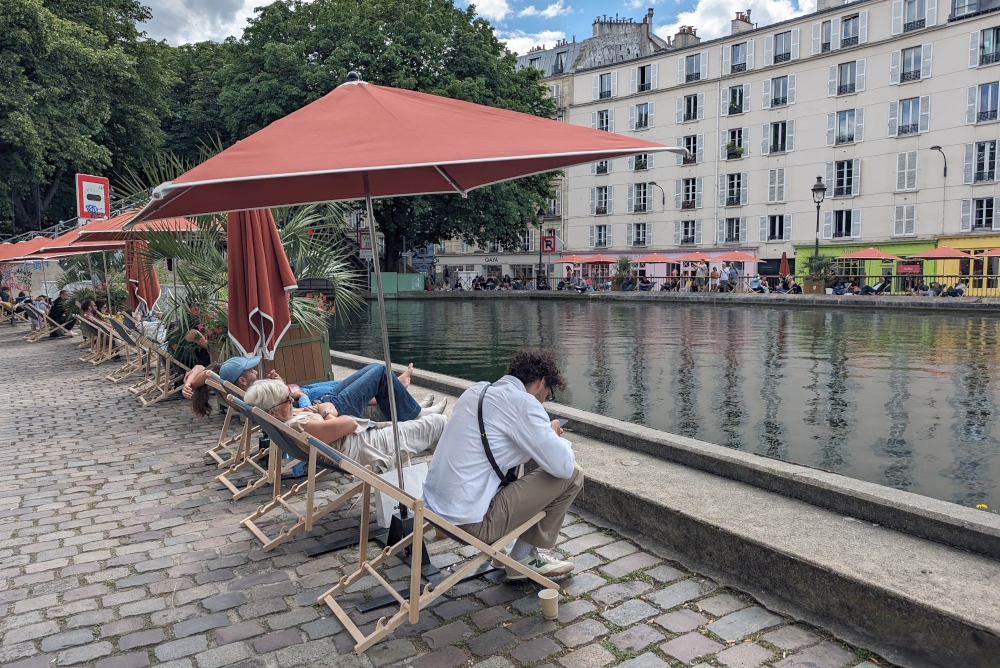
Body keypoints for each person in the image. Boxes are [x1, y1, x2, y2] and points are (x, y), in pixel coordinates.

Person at [422, 350, 583, 579]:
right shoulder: (524, 404)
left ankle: (505, 551)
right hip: (469, 525)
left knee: (521, 457)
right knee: (573, 475)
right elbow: (564, 467)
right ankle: (522, 558)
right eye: (548, 394)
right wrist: (553, 435)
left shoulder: (475, 391)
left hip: (433, 511)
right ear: (541, 382)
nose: (545, 401)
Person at [245, 379, 448, 473]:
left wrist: (321, 413)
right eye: (287, 400)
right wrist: (325, 412)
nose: (292, 401)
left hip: (364, 438)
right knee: (439, 422)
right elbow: (348, 423)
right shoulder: (302, 426)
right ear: (271, 411)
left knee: (422, 425)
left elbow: (326, 415)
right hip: (368, 447)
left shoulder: (283, 420)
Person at [185, 356, 445, 420]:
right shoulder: (242, 397)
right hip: (321, 407)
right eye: (251, 371)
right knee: (378, 372)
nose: (256, 370)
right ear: (242, 381)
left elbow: (202, 370)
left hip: (315, 402)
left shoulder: (248, 397)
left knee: (376, 370)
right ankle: (415, 415)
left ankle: (408, 402)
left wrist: (279, 386)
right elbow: (205, 371)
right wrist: (296, 395)